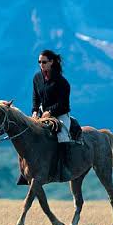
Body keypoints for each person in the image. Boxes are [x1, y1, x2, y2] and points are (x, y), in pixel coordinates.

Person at [32, 49, 74, 181]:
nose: (41, 65)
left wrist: (49, 112)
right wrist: (34, 111)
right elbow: (35, 98)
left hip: (60, 115)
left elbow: (63, 104)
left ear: (52, 62)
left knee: (62, 136)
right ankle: (27, 170)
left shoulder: (62, 82)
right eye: (39, 62)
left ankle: (64, 168)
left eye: (44, 62)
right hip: (41, 114)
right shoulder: (37, 78)